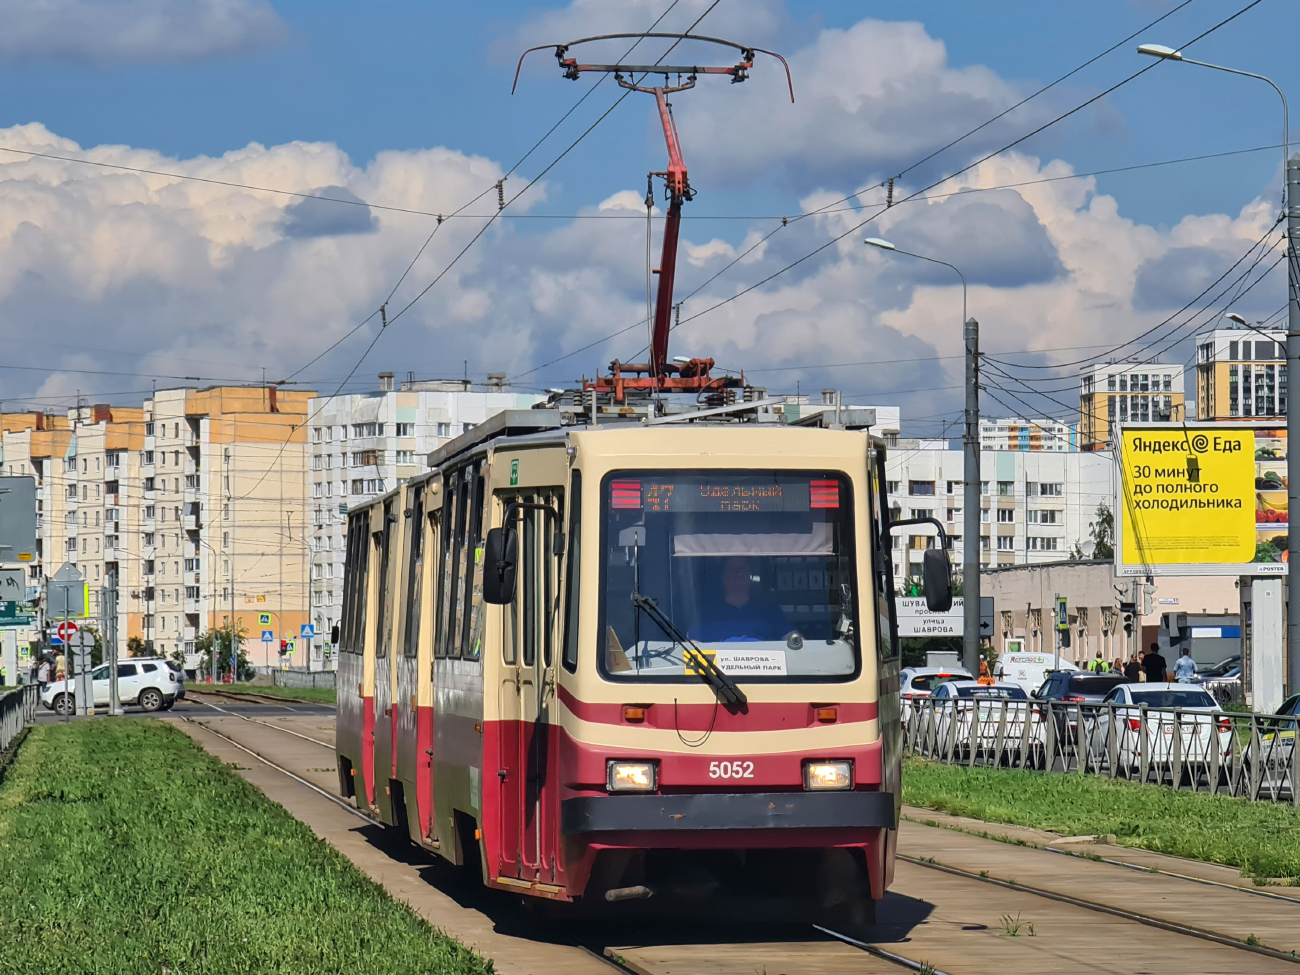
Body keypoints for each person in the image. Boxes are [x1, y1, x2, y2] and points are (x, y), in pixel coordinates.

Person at [687, 556, 793, 642]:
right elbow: (692, 644)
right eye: (733, 569)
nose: (738, 573)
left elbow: (791, 638)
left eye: (743, 568)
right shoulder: (707, 613)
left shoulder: (769, 610)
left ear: (749, 575)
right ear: (723, 577)